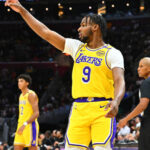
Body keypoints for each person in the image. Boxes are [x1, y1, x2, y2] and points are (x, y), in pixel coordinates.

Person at [5, 1, 125, 149]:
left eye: (83, 25)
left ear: (95, 27)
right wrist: (22, 11)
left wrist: (117, 101)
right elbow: (46, 33)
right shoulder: (77, 48)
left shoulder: (112, 53)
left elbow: (120, 80)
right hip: (79, 109)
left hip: (102, 109)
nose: (78, 28)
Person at [118, 57, 150, 150]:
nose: (138, 68)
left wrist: (125, 119)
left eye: (141, 66)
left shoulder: (147, 82)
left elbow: (143, 105)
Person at [14, 74, 39, 150]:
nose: (19, 83)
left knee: (32, 148)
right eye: (18, 81)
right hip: (20, 125)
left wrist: (25, 124)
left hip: (30, 126)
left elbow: (36, 113)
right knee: (17, 147)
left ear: (27, 83)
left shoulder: (31, 94)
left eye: (21, 81)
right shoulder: (21, 95)